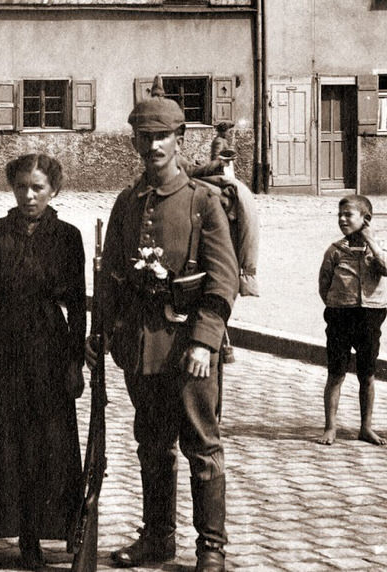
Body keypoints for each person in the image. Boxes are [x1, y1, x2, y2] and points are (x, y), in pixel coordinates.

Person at [97, 95, 237, 572]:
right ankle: (157, 538)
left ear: (179, 139)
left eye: (162, 136)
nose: (153, 144)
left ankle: (211, 547)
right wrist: (106, 332)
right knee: (152, 446)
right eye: (145, 136)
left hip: (189, 347)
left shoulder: (203, 201)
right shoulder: (126, 202)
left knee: (202, 446)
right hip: (142, 346)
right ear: (135, 140)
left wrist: (205, 340)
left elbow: (223, 280)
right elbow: (113, 275)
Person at [0, 153, 85, 571]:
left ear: (53, 191)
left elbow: (78, 305)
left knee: (43, 444)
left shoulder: (68, 237)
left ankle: (32, 542)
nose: (28, 195)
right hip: (2, 342)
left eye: (37, 188)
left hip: (49, 346)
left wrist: (75, 361)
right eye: (21, 186)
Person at [316, 195, 387, 446]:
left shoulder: (379, 246)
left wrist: (371, 240)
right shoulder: (335, 250)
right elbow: (324, 284)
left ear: (366, 219)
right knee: (336, 373)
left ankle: (366, 427)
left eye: (348, 215)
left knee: (367, 374)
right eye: (339, 215)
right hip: (340, 316)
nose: (342, 219)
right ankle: (330, 426)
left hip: (370, 316)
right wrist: (338, 302)